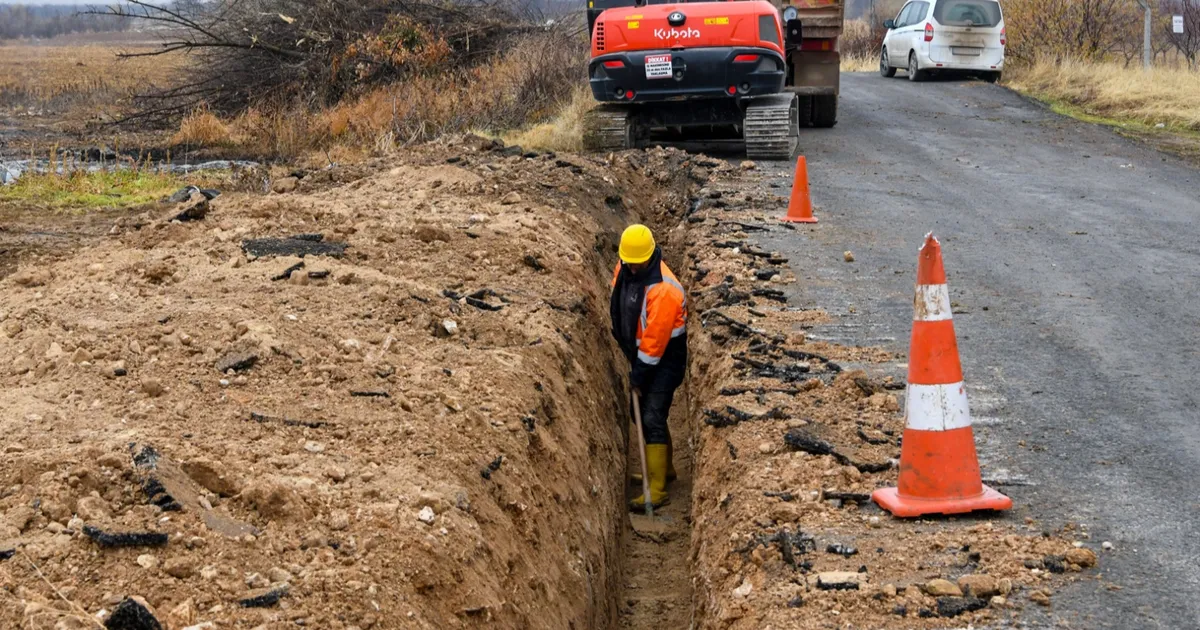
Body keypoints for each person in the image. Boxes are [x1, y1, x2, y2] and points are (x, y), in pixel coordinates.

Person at [609, 224, 687, 511]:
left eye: (634, 264)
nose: (629, 268)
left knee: (652, 415)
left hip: (665, 359)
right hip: (642, 354)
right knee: (642, 412)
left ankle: (657, 488)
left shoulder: (664, 290)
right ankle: (661, 469)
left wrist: (639, 375)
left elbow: (655, 343)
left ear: (649, 257)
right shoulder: (627, 267)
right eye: (627, 263)